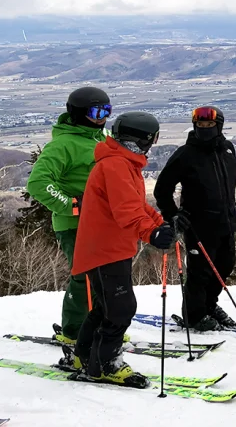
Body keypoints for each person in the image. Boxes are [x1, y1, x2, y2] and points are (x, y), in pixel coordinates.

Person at [70, 111, 174, 387]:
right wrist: (152, 233)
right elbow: (127, 211)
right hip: (106, 251)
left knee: (106, 307)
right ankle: (105, 364)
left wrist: (159, 223)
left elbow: (136, 204)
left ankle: (85, 357)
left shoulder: (123, 164)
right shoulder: (116, 165)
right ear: (143, 140)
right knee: (121, 309)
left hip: (108, 248)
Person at [26, 86, 111, 348]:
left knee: (106, 276)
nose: (102, 118)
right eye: (96, 112)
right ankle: (74, 331)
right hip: (74, 225)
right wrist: (73, 206)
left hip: (103, 223)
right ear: (78, 114)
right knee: (84, 276)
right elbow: (38, 183)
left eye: (107, 111)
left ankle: (100, 326)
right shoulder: (63, 144)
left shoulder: (102, 137)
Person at [153, 106, 236, 332]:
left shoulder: (228, 150)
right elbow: (162, 188)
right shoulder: (186, 154)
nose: (204, 129)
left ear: (218, 126)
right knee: (200, 273)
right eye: (200, 125)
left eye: (209, 125)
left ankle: (209, 306)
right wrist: (173, 214)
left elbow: (228, 186)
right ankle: (195, 315)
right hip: (198, 224)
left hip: (226, 222)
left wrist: (233, 211)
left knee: (225, 266)